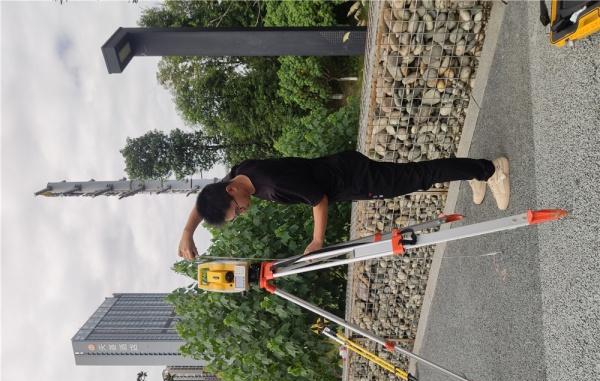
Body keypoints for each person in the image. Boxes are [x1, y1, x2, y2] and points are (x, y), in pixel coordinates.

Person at [178, 150, 510, 259]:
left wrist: (317, 240)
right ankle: (474, 172)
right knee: (417, 175)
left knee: (418, 176)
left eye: (237, 209)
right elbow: (206, 199)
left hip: (355, 179)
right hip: (344, 170)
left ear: (232, 190)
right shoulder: (241, 173)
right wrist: (188, 232)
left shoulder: (272, 184)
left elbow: (318, 200)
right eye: (236, 216)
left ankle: (490, 169)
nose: (243, 211)